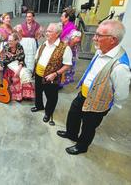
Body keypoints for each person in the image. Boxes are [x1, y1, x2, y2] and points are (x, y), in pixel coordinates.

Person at [57, 20, 131, 155]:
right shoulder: (100, 50)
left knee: (88, 126)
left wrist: (110, 107)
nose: (94, 38)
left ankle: (82, 146)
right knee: (73, 113)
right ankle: (71, 134)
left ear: (112, 40)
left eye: (99, 35)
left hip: (98, 102)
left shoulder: (121, 66)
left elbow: (121, 94)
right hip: (84, 93)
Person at [31, 23, 72, 123]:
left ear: (57, 33)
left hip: (51, 77)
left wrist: (56, 74)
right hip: (38, 73)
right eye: (47, 31)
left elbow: (67, 65)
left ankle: (48, 113)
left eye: (50, 31)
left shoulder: (64, 48)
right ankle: (39, 106)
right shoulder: (43, 44)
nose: (47, 33)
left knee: (51, 96)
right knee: (38, 91)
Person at [0, 32, 35, 101]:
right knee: (16, 78)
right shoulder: (6, 47)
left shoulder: (19, 47)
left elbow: (21, 59)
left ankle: (26, 94)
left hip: (18, 65)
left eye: (11, 41)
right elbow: (1, 59)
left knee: (25, 73)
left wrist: (18, 70)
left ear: (16, 41)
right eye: (8, 40)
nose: (9, 42)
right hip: (9, 66)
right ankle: (18, 96)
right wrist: (0, 66)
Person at [59, 8, 81, 87]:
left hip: (69, 50)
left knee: (66, 65)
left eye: (62, 16)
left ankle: (63, 81)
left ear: (67, 18)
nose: (61, 18)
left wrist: (64, 49)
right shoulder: (62, 26)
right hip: (62, 48)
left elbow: (72, 43)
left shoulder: (72, 29)